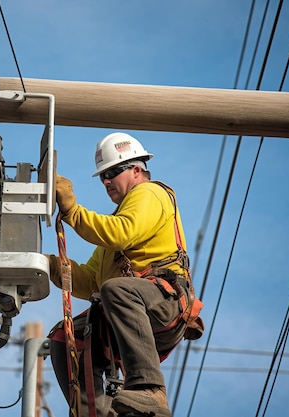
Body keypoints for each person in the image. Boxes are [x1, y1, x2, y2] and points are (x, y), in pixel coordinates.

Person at [46, 132, 203, 417]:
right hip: (131, 310)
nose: (107, 181)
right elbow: (91, 280)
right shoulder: (115, 238)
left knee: (117, 289)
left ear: (136, 169)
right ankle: (91, 412)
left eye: (113, 172)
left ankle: (150, 389)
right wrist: (47, 264)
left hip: (162, 302)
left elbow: (121, 232)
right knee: (65, 335)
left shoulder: (150, 193)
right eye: (103, 175)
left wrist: (71, 211)